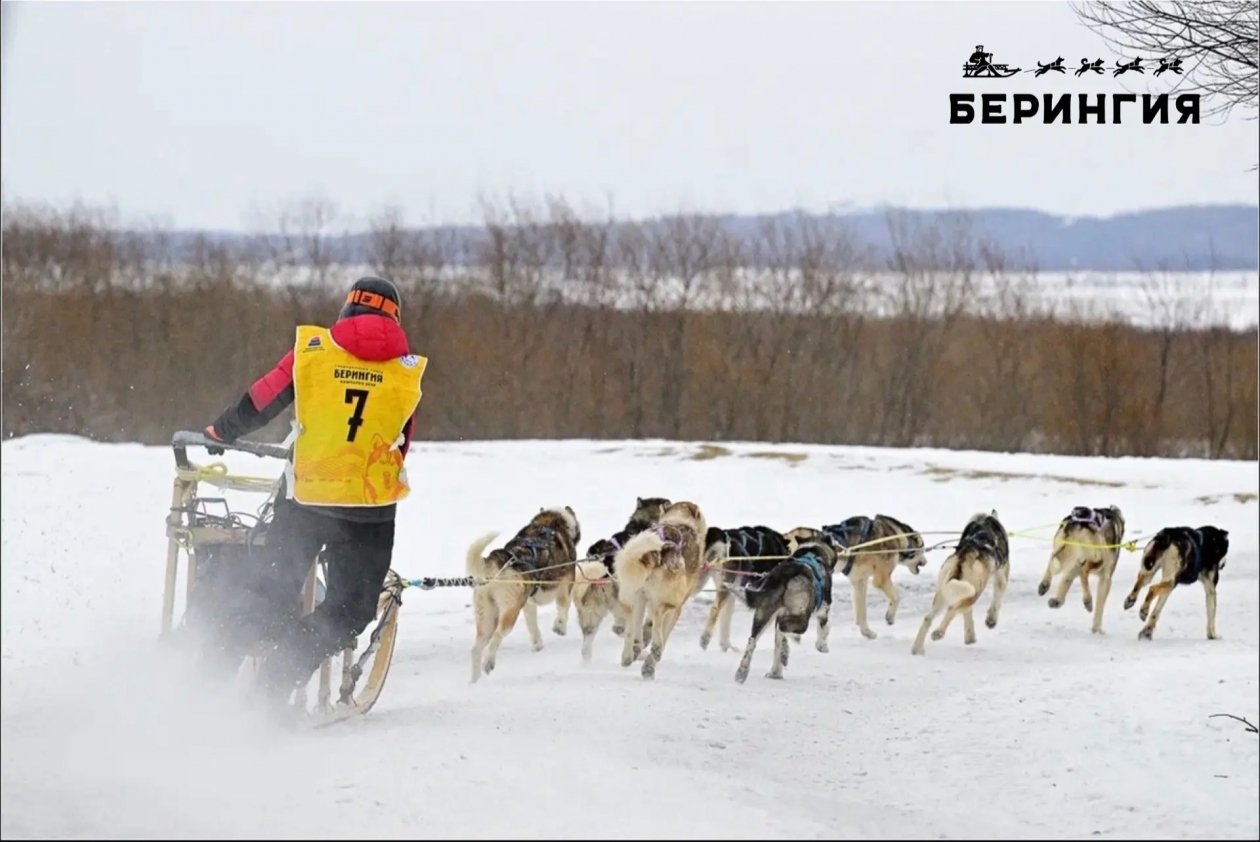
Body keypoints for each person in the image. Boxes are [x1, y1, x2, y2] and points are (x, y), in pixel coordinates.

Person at [202, 275, 427, 706]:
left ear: (346, 311)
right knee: (347, 611)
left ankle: (200, 683)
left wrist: (221, 430)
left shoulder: (312, 353)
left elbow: (262, 399)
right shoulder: (407, 372)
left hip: (305, 497)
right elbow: (402, 444)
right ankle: (272, 686)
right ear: (396, 318)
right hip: (368, 509)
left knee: (269, 593)